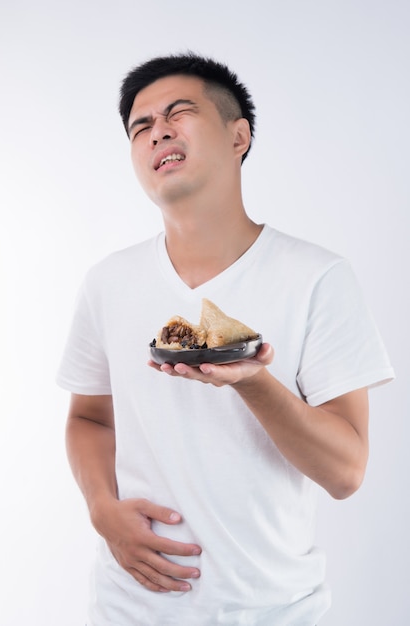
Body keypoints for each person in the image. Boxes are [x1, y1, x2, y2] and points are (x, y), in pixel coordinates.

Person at [56, 53, 394, 625]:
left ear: (239, 136)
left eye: (177, 113)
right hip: (130, 607)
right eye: (140, 126)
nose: (156, 129)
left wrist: (253, 382)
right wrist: (100, 509)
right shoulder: (108, 281)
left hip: (274, 610)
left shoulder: (317, 277)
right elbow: (88, 418)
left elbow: (346, 473)